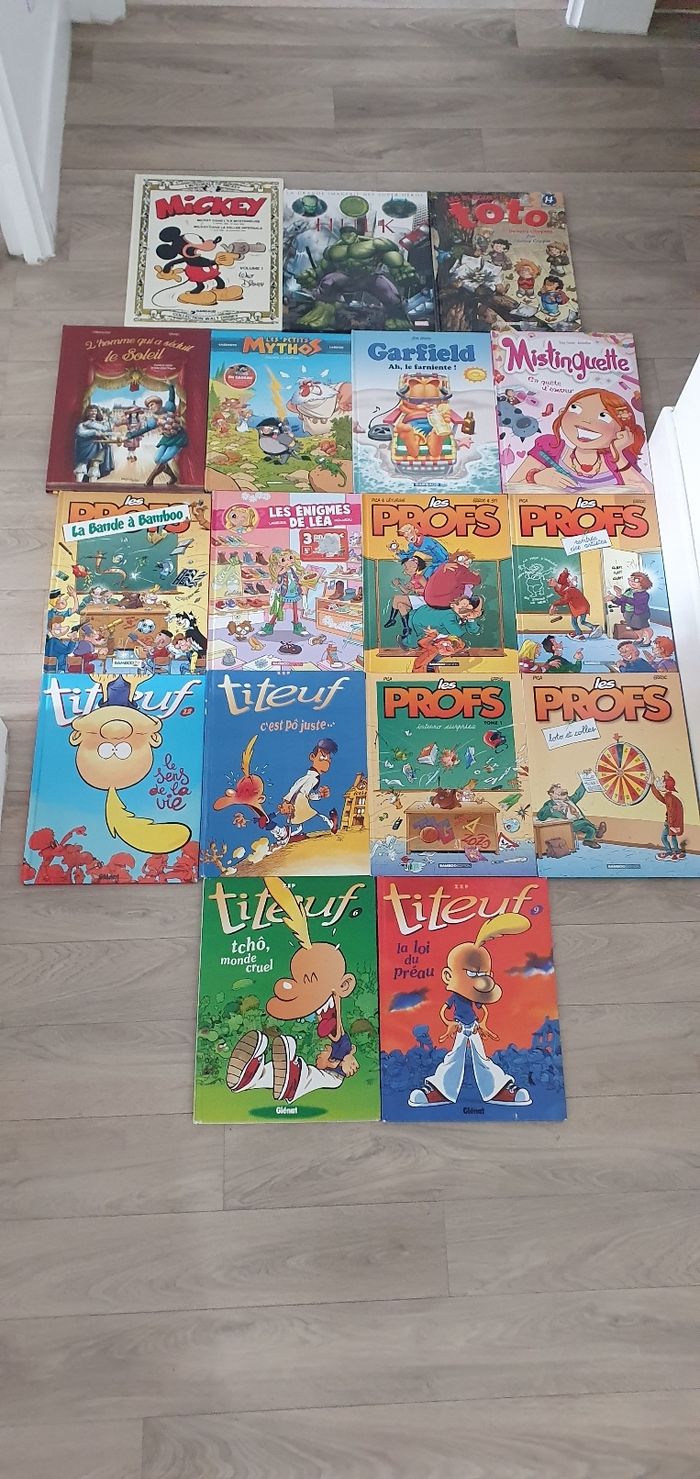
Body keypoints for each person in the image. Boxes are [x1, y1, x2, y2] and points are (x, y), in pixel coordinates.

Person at [515, 389, 653, 493]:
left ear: (622, 430)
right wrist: (536, 478)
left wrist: (619, 455)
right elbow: (509, 491)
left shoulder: (619, 458)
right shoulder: (550, 446)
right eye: (575, 408)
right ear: (563, 413)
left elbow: (647, 495)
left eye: (603, 416)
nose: (586, 421)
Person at [278, 739, 340, 841]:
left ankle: (290, 835)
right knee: (316, 817)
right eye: (323, 757)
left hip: (300, 802)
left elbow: (308, 795)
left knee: (299, 822)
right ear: (312, 757)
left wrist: (319, 795)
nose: (327, 762)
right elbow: (295, 787)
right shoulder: (309, 777)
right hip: (298, 802)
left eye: (329, 759)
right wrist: (286, 801)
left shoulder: (314, 778)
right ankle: (332, 824)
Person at [536, 782, 607, 848]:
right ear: (551, 794)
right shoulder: (549, 804)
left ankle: (588, 840)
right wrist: (552, 809)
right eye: (558, 793)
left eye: (561, 792)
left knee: (590, 829)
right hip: (568, 825)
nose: (561, 794)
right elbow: (540, 816)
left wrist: (584, 782)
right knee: (584, 822)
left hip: (578, 822)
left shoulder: (569, 800)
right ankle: (597, 831)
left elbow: (578, 794)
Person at [548, 569, 601, 639]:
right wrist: (564, 573)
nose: (551, 581)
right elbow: (562, 579)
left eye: (551, 580)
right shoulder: (559, 587)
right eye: (550, 582)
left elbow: (565, 599)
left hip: (578, 605)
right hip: (580, 604)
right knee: (582, 621)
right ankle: (593, 627)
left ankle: (580, 634)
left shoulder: (569, 589)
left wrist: (554, 604)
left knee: (574, 622)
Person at [607, 571, 654, 646]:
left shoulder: (644, 594)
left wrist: (621, 596)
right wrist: (614, 598)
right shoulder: (629, 591)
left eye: (635, 581)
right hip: (628, 612)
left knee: (644, 627)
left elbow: (635, 602)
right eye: (630, 580)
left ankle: (648, 640)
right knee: (634, 627)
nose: (632, 582)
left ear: (643, 583)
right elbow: (621, 601)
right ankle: (640, 638)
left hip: (639, 614)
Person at [652, 771, 686, 861]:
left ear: (666, 786)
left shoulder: (669, 797)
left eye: (662, 782)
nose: (660, 783)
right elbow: (660, 798)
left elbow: (671, 812)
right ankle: (677, 852)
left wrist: (669, 824)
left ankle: (669, 852)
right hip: (675, 822)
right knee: (673, 837)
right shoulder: (670, 796)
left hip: (671, 823)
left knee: (663, 837)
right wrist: (652, 786)